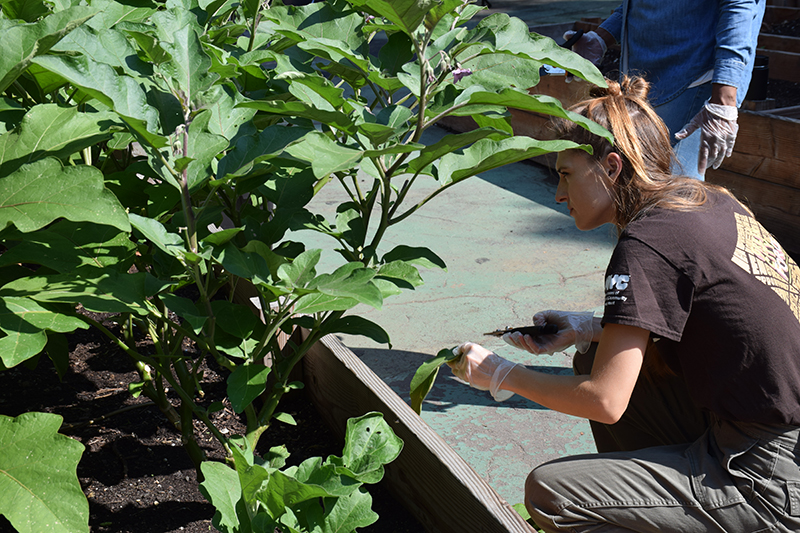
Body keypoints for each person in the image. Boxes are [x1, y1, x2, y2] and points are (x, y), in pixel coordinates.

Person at [447, 76, 800, 532]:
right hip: (768, 432)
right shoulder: (706, 199)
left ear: (612, 167)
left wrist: (501, 374)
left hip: (767, 475)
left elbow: (605, 401)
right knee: (594, 355)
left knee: (550, 493)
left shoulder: (646, 242)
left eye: (566, 174)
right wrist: (591, 328)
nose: (558, 194)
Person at [564, 0, 766, 179]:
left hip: (692, 76)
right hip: (646, 76)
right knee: (641, 184)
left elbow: (740, 5)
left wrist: (724, 101)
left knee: (674, 191)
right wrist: (601, 39)